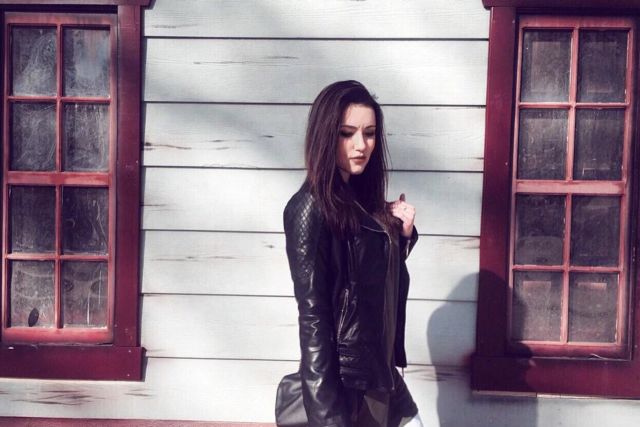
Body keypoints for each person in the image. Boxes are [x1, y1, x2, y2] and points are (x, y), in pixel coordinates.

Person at [281, 80, 424, 427]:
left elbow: (367, 286)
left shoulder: (359, 202)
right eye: (347, 133)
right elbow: (313, 321)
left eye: (370, 133)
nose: (361, 145)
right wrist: (328, 417)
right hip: (349, 385)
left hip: (379, 371)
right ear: (325, 136)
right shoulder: (309, 208)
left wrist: (401, 238)